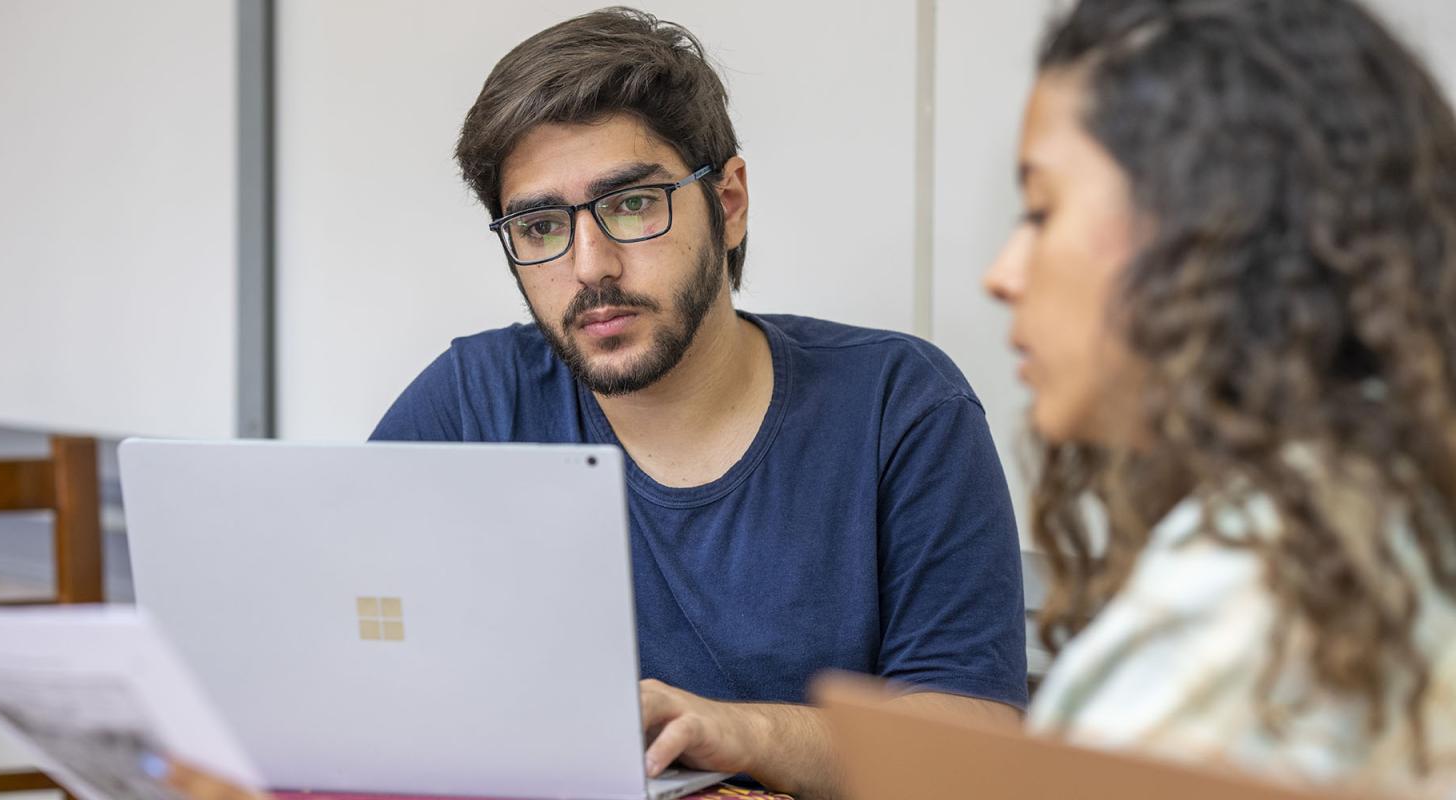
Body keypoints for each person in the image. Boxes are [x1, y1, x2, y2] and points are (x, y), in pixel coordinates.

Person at [365, 6, 1026, 797]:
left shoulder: (901, 406)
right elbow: (336, 639)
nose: (591, 266)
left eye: (634, 204)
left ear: (730, 201)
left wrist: (735, 732)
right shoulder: (472, 404)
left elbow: (972, 745)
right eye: (541, 225)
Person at [985, 0, 1456, 792]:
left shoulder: (1243, 603)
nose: (1002, 272)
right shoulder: (1378, 514)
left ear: (1209, 231)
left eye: (1041, 210)